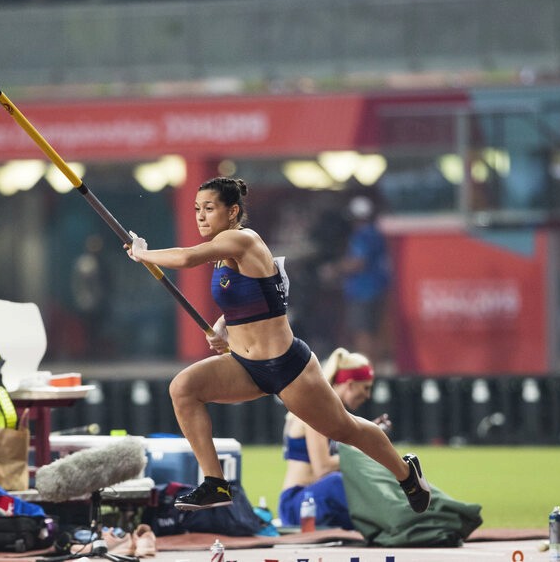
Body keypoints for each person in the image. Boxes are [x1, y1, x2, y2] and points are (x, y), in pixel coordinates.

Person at [125, 177, 430, 513]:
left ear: (233, 211)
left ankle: (406, 473)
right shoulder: (223, 252)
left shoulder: (243, 240)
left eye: (209, 208)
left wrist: (143, 254)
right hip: (245, 366)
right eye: (197, 208)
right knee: (183, 389)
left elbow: (185, 258)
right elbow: (261, 297)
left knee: (345, 428)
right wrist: (222, 326)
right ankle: (215, 483)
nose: (200, 216)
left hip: (287, 367)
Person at [279, 348, 389, 529]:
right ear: (350, 385)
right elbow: (322, 468)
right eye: (366, 388)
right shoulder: (317, 409)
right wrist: (363, 449)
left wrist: (368, 437)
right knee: (337, 482)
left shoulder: (332, 414)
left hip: (318, 500)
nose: (368, 395)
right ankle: (396, 518)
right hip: (298, 502)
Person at [329, 196, 391, 368]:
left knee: (363, 332)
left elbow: (358, 262)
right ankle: (375, 367)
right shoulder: (376, 233)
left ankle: (367, 369)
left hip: (362, 291)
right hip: (378, 288)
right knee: (375, 331)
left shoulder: (361, 236)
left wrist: (336, 268)